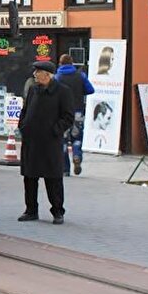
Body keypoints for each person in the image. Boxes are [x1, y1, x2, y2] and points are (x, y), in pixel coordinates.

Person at [17, 60, 74, 225]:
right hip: (31, 140)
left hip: (50, 142)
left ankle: (57, 211)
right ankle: (31, 210)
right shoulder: (34, 90)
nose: (34, 75)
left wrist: (55, 130)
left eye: (38, 72)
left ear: (47, 75)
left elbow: (68, 117)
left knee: (53, 179)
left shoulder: (63, 91)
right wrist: (23, 126)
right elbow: (25, 110)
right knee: (29, 178)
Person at [55, 53, 95, 176]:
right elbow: (90, 90)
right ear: (72, 63)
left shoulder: (56, 78)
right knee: (77, 138)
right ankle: (77, 155)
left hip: (61, 114)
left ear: (60, 64)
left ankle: (65, 169)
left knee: (62, 141)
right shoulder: (80, 76)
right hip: (77, 112)